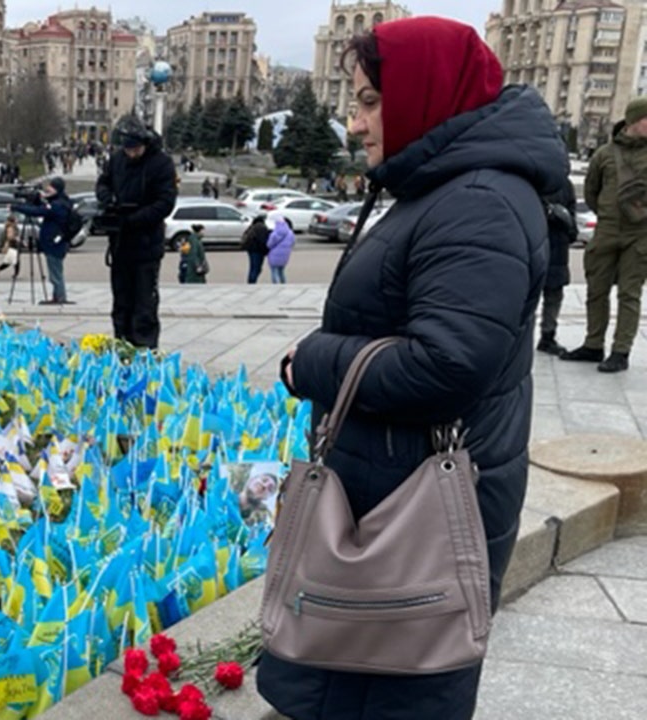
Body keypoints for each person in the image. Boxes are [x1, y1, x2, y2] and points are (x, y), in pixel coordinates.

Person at [262, 18, 565, 720]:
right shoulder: (448, 187)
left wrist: (311, 361)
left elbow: (446, 365)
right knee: (365, 681)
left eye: (369, 100)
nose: (354, 119)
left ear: (426, 95)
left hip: (411, 512)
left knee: (390, 688)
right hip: (393, 493)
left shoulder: (477, 203)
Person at [561, 99, 647, 373]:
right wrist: (609, 215)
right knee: (596, 289)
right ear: (634, 121)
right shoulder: (604, 154)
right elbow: (591, 192)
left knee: (629, 294)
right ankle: (593, 344)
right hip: (607, 229)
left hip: (641, 235)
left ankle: (620, 351)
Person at [97, 115, 178, 348]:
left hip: (146, 243)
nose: (131, 154)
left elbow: (165, 203)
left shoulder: (161, 163)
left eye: (135, 149)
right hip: (120, 243)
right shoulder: (117, 160)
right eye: (128, 149)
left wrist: (135, 219)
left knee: (144, 302)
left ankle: (144, 347)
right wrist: (107, 198)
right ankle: (122, 342)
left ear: (144, 143)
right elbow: (103, 183)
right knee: (121, 301)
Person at [12, 177, 73, 304]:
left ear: (57, 189)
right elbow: (43, 208)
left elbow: (37, 212)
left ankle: (60, 297)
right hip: (54, 243)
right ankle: (57, 296)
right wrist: (41, 200)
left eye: (51, 187)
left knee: (55, 273)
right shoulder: (60, 202)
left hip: (54, 244)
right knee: (56, 271)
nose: (48, 189)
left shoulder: (58, 205)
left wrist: (18, 207)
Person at [537, 177, 578, 356]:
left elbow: (572, 211)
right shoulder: (534, 179)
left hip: (558, 245)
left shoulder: (564, 184)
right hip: (537, 242)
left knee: (554, 294)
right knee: (526, 294)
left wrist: (569, 228)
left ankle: (548, 336)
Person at [240, 215, 270, 284]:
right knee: (256, 268)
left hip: (251, 250)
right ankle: (252, 282)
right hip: (258, 251)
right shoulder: (261, 227)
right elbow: (262, 241)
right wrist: (266, 251)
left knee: (253, 267)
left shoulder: (252, 227)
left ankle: (251, 281)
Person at [266, 216, 295, 284]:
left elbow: (269, 244)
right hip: (285, 255)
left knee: (274, 271)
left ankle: (276, 284)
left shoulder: (274, 234)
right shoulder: (290, 233)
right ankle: (283, 283)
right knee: (281, 271)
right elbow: (293, 242)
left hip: (274, 255)